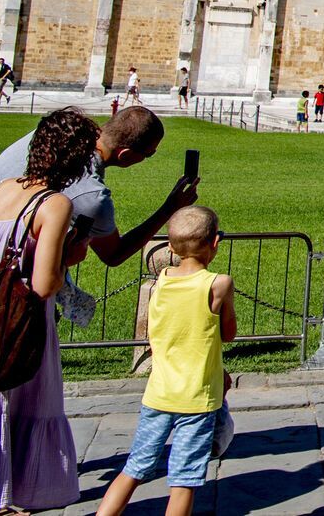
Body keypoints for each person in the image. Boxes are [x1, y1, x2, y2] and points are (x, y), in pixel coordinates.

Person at [0, 107, 95, 513]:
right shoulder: (55, 204)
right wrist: (70, 257)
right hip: (11, 319)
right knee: (8, 399)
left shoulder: (2, 188)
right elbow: (43, 283)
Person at [95, 205, 237, 516]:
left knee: (135, 467)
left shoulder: (162, 281)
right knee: (184, 479)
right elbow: (228, 334)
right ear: (215, 244)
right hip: (197, 397)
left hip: (158, 393)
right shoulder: (218, 284)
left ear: (170, 247)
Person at [0, 105, 197, 270]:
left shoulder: (53, 135)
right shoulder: (90, 194)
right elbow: (114, 254)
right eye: (148, 155)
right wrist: (169, 208)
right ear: (125, 155)